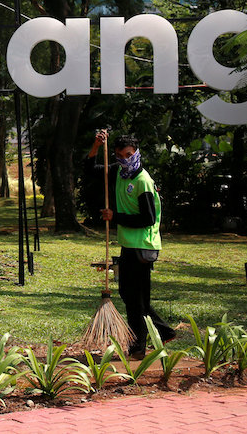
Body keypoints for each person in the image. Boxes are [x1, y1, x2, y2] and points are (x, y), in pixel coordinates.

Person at [87, 130, 176, 358]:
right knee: (128, 295)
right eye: (119, 155)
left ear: (136, 153)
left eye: (128, 154)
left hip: (143, 247)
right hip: (128, 245)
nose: (124, 159)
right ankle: (163, 331)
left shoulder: (142, 181)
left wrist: (114, 217)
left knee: (137, 299)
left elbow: (147, 218)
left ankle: (138, 347)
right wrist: (97, 147)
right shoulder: (119, 172)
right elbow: (90, 171)